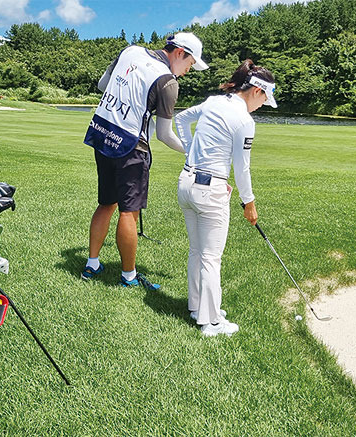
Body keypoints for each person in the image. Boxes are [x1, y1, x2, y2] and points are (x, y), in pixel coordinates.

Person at [82, 32, 209, 289]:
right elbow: (164, 135)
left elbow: (102, 86)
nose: (187, 70)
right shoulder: (167, 82)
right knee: (129, 211)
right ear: (180, 53)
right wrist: (191, 151)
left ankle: (92, 264)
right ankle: (128, 275)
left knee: (106, 203)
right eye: (190, 63)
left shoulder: (130, 51)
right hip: (131, 148)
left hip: (102, 135)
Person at [175, 60, 277, 336]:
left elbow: (181, 119)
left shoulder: (212, 102)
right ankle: (211, 323)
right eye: (264, 100)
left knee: (197, 251)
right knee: (211, 257)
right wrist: (249, 203)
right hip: (210, 191)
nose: (261, 106)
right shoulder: (244, 120)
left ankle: (198, 308)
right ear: (256, 91)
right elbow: (242, 169)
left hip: (186, 183)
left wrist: (190, 152)